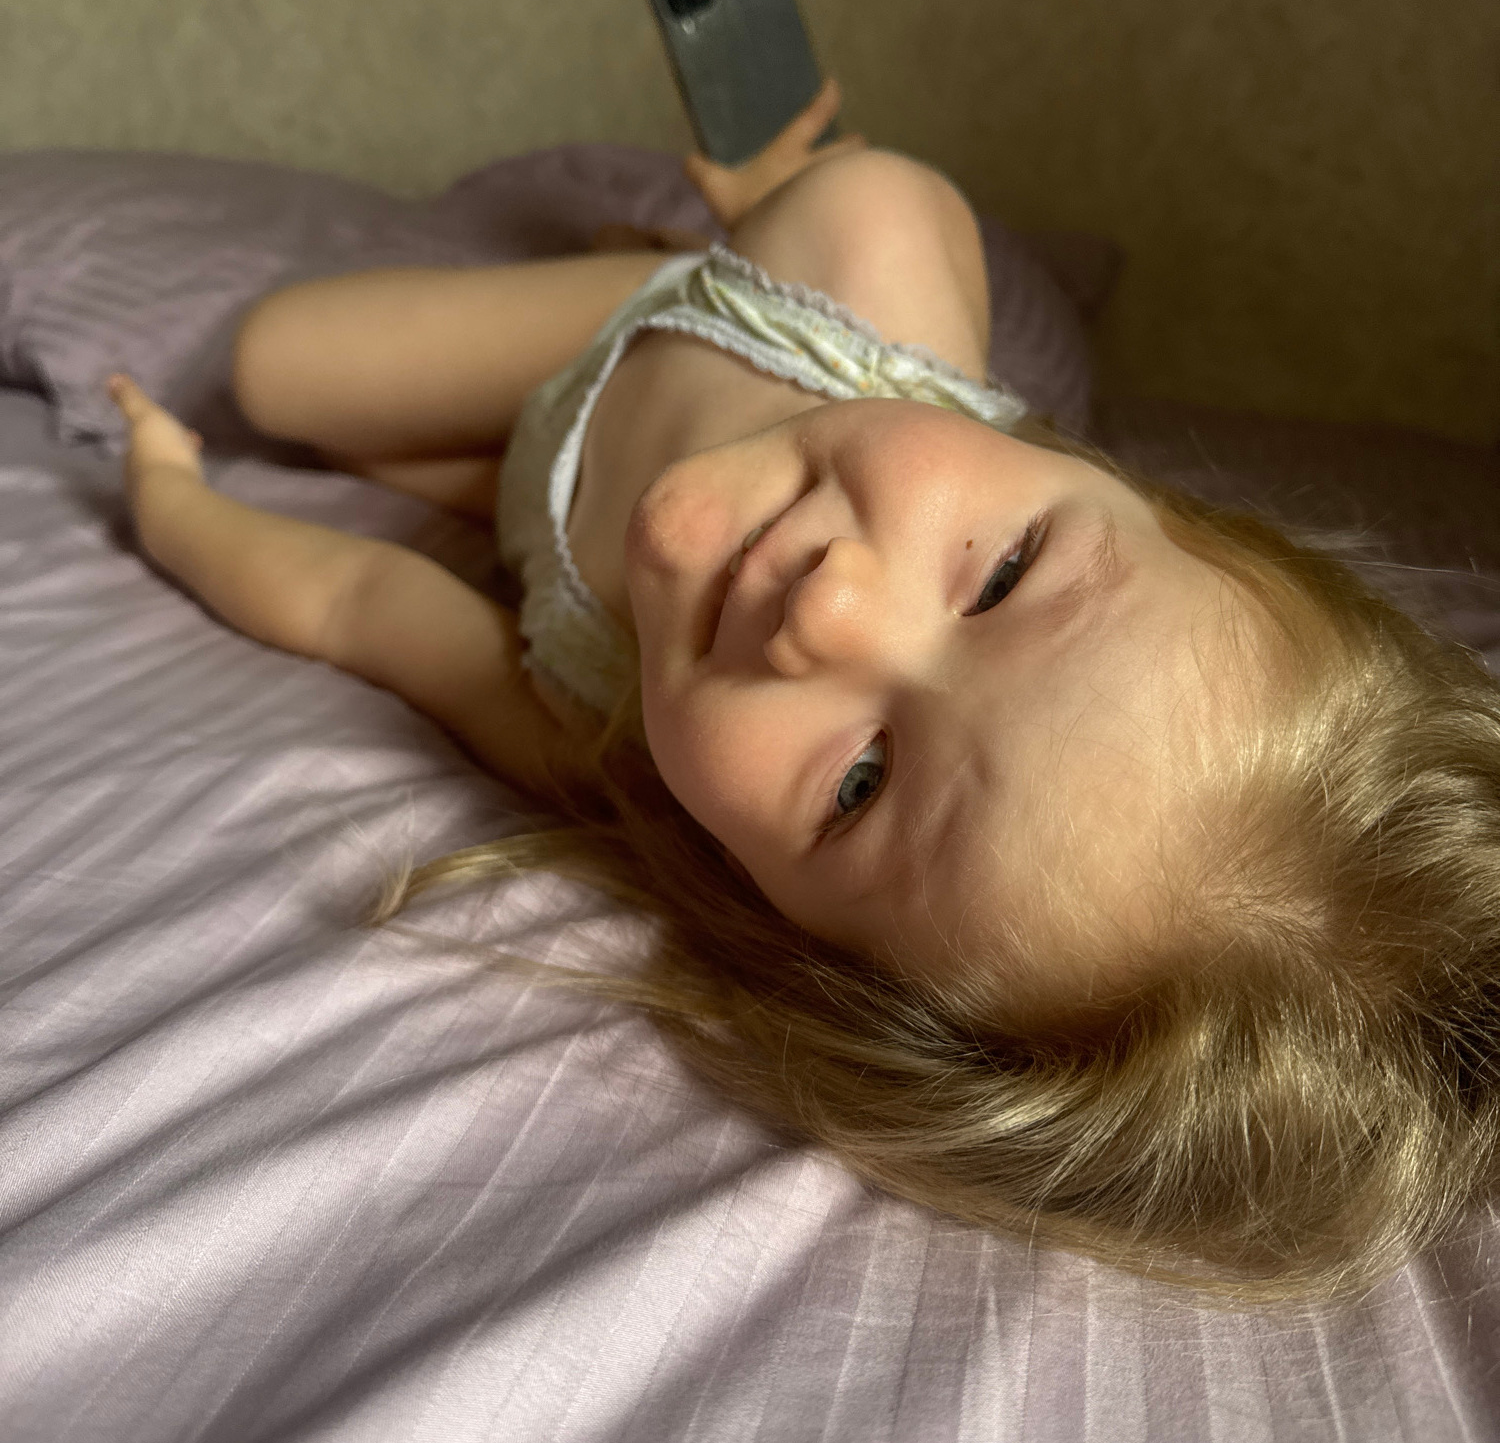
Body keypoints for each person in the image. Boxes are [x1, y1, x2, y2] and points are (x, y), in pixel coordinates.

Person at [108, 80, 1500, 1300]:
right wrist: (775, 200)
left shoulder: (604, 741)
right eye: (1007, 575)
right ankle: (651, 283)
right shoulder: (868, 276)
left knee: (342, 439)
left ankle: (541, 456)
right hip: (711, 324)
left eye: (861, 784)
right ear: (1141, 497)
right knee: (273, 367)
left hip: (551, 476)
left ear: (792, 925)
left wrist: (176, 506)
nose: (826, 609)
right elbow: (857, 212)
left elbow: (361, 606)